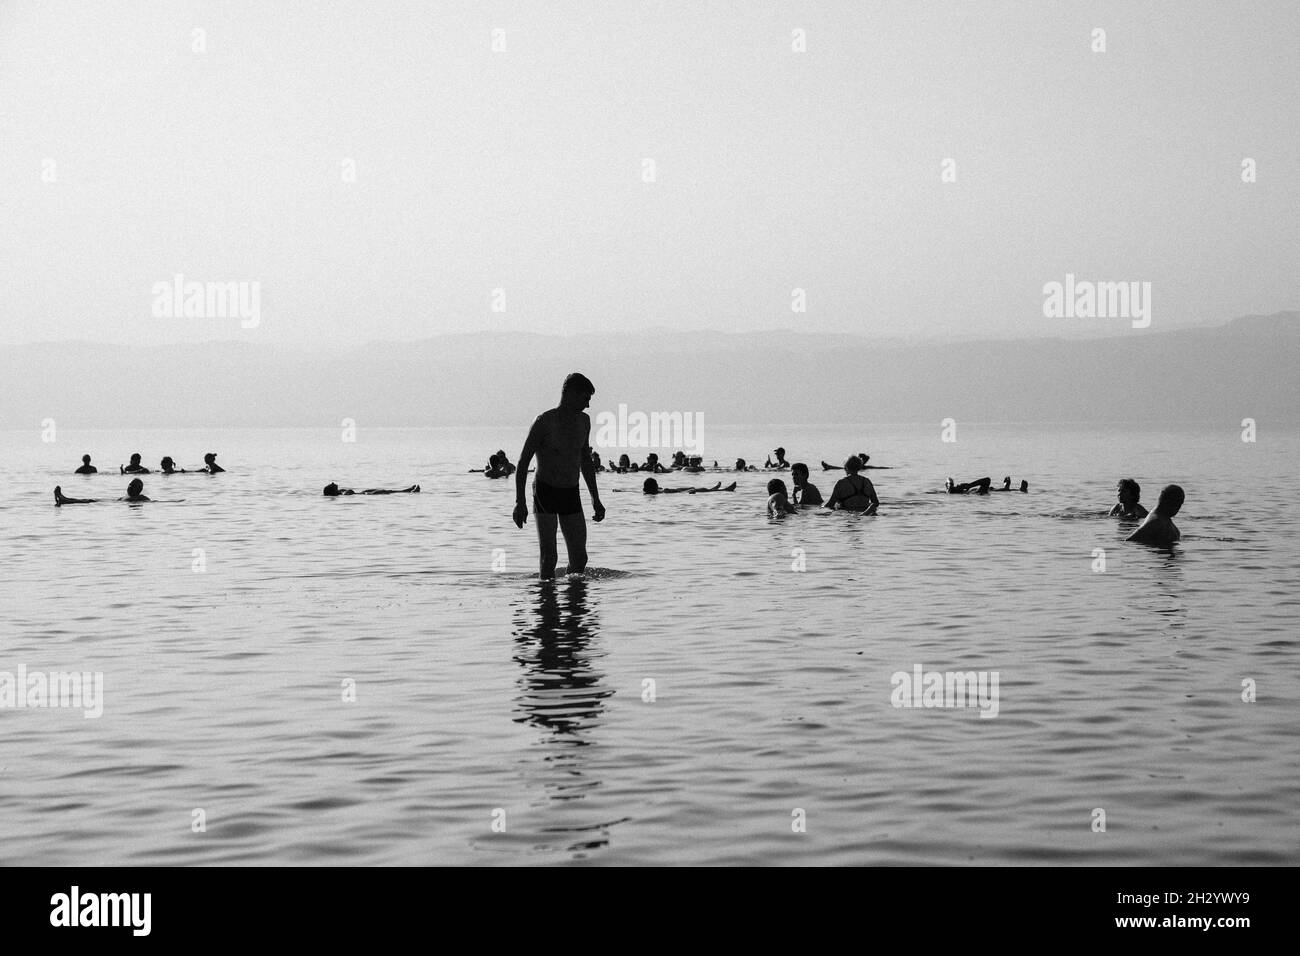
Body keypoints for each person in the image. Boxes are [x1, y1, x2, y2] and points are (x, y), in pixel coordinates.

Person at [513, 372, 605, 579]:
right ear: (571, 394)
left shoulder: (584, 421)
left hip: (571, 492)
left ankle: (575, 604)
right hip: (546, 490)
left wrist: (595, 498)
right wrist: (520, 502)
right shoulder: (544, 422)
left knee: (580, 558)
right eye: (585, 398)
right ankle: (547, 605)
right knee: (549, 558)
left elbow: (585, 460)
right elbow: (523, 462)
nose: (588, 405)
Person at [642, 477, 736, 495]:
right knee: (700, 489)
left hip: (678, 490)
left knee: (695, 487)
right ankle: (725, 490)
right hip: (680, 492)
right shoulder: (657, 493)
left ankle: (714, 489)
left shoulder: (655, 491)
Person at [324, 483, 420, 496]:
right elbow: (349, 492)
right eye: (332, 485)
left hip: (363, 493)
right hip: (365, 495)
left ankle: (407, 490)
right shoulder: (342, 494)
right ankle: (409, 491)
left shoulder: (340, 492)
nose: (333, 483)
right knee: (385, 491)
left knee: (385, 490)